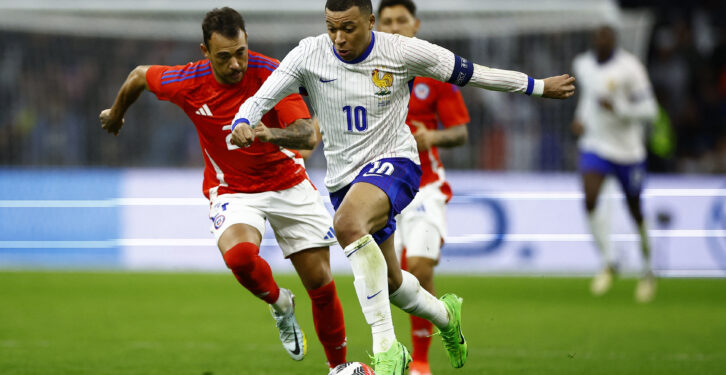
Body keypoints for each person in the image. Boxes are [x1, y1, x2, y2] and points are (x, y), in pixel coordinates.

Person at [227, 1, 575, 373]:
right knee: (391, 283)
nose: (339, 38)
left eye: (348, 28)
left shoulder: (400, 50)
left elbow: (474, 73)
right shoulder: (309, 53)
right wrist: (243, 120)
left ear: (370, 22)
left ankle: (388, 349)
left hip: (397, 163)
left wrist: (537, 86)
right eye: (332, 28)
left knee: (346, 225)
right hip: (345, 180)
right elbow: (262, 97)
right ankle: (446, 315)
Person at [98, 7, 348, 369]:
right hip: (233, 191)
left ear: (248, 43)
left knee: (321, 284)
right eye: (224, 57)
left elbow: (307, 134)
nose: (235, 64)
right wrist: (117, 113)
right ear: (205, 52)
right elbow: (139, 76)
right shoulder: (189, 80)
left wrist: (268, 133)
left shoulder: (272, 75)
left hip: (289, 184)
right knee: (239, 258)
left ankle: (339, 368)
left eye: (241, 53)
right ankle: (280, 304)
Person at [376, 1, 469, 374]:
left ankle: (421, 363)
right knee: (389, 278)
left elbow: (461, 133)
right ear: (375, 25)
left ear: (415, 25)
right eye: (387, 22)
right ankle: (437, 323)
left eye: (402, 21)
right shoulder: (363, 72)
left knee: (418, 265)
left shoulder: (436, 72)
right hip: (382, 191)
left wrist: (432, 136)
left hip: (426, 189)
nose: (395, 27)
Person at [571, 25, 658, 303]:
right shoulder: (583, 65)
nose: (600, 42)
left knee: (635, 210)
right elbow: (588, 97)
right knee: (590, 198)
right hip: (596, 145)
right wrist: (581, 118)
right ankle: (609, 262)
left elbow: (650, 110)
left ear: (614, 42)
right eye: (597, 37)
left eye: (605, 38)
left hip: (628, 152)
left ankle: (647, 270)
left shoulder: (630, 68)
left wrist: (619, 109)